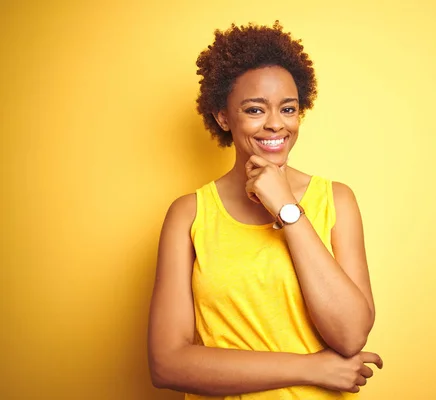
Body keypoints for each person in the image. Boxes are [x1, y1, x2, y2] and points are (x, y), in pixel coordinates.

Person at [147, 21, 382, 400]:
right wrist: (313, 367)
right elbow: (167, 364)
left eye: (288, 109)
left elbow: (351, 334)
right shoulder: (189, 215)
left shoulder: (336, 200)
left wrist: (287, 208)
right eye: (255, 109)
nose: (276, 124)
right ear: (223, 117)